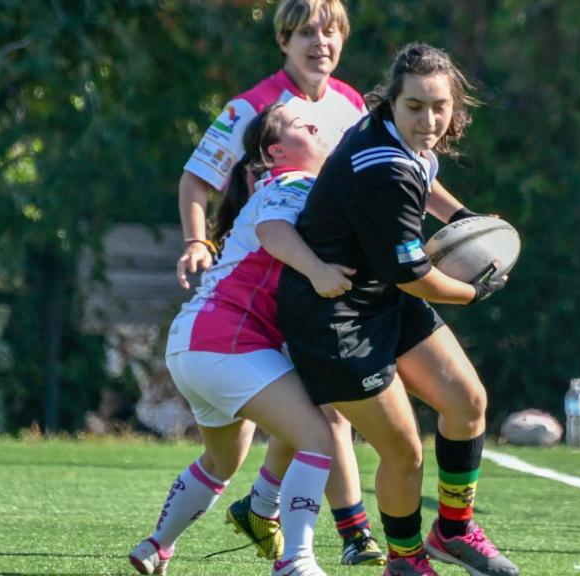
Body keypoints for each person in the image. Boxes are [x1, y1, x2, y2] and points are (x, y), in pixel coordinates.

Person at [276, 43, 520, 576]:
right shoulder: (382, 168)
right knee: (404, 451)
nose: (430, 120)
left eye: (440, 106)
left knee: (467, 401)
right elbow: (414, 277)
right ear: (391, 102)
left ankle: (451, 531)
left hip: (378, 295)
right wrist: (475, 291)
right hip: (334, 317)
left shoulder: (402, 140)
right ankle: (405, 562)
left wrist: (469, 220)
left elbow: (426, 177)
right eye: (416, 107)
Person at [176, 0, 386, 565]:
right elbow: (196, 182)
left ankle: (286, 510)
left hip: (321, 271)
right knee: (321, 407)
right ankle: (344, 530)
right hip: (269, 272)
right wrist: (198, 241)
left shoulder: (353, 105)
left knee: (325, 402)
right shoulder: (253, 106)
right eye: (308, 32)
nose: (321, 42)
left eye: (332, 31)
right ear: (284, 41)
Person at [130, 104, 353, 576]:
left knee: (220, 462)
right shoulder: (296, 183)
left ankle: (156, 545)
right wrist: (320, 272)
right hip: (228, 343)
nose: (315, 127)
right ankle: (295, 561)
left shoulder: (277, 188)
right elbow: (274, 234)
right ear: (277, 151)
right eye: (301, 125)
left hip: (193, 344)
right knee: (317, 436)